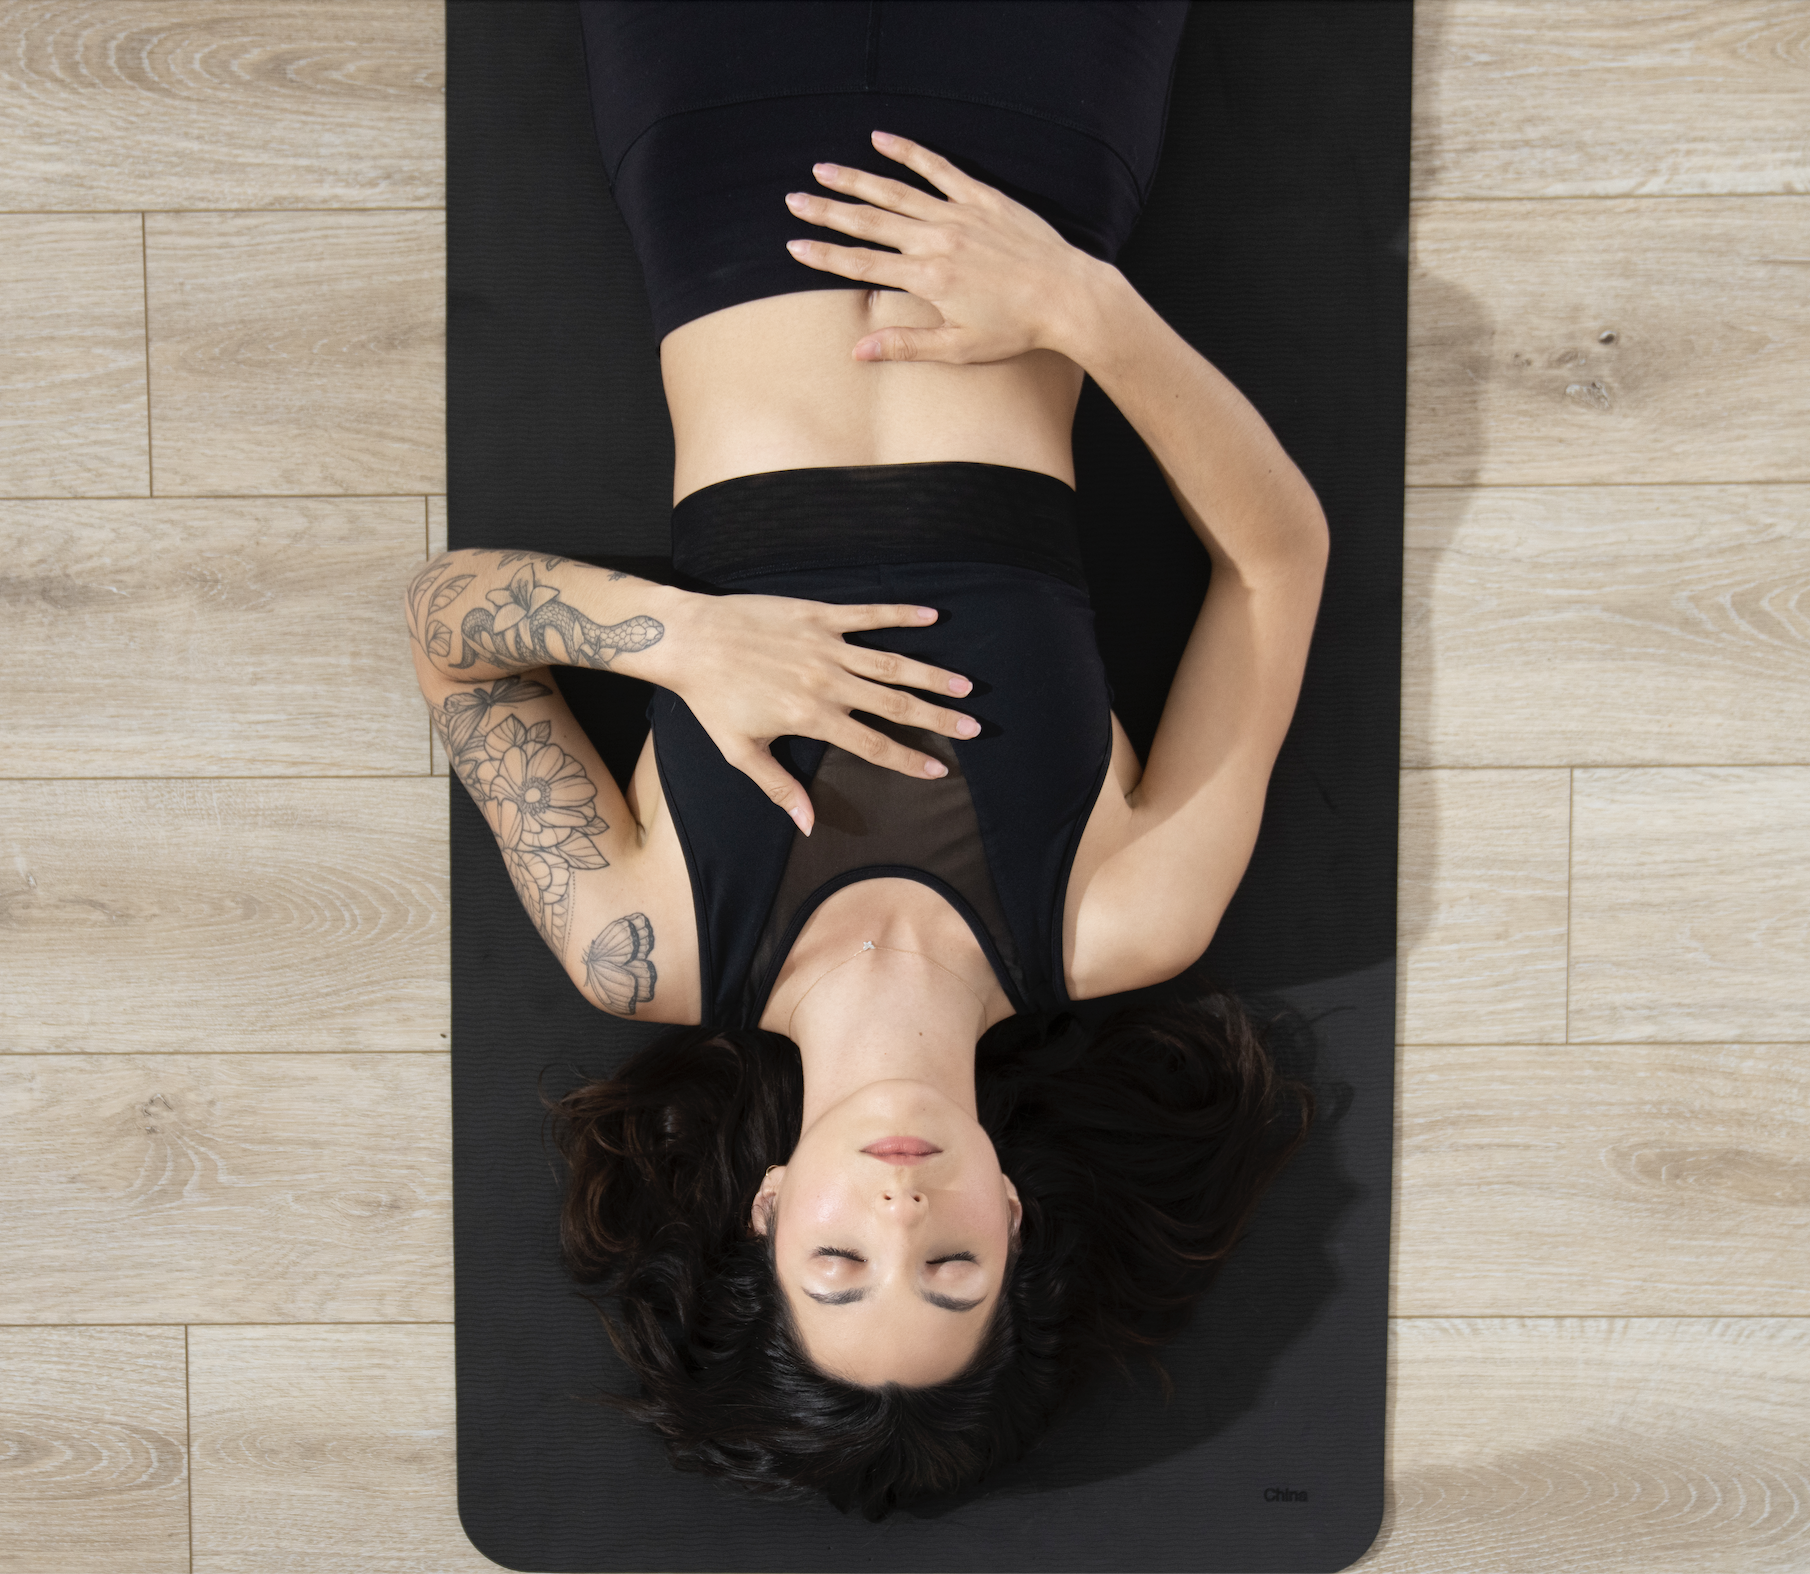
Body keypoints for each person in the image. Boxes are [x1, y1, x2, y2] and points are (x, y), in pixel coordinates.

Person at [407, 1, 1325, 1518]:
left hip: (715, 162)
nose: (899, 1208)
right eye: (949, 1265)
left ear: (767, 1213)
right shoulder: (1119, 915)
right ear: (1015, 1221)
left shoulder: (644, 943)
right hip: (1027, 182)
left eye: (841, 1261)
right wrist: (1082, 308)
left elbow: (445, 632)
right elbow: (1276, 562)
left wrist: (676, 639)